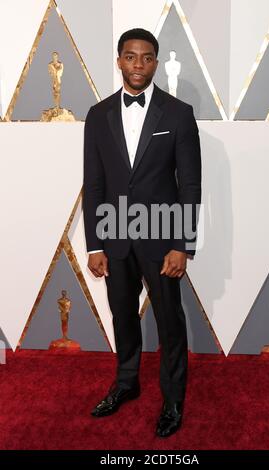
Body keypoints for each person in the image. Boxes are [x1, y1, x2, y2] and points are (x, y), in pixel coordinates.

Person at [83, 28, 201, 438]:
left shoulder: (178, 113)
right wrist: (95, 243)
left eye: (146, 57)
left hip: (162, 236)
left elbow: (189, 185)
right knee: (122, 318)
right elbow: (93, 183)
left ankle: (173, 399)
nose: (138, 65)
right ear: (119, 61)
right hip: (114, 237)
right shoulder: (98, 115)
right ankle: (126, 383)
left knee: (170, 321)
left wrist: (182, 245)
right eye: (130, 57)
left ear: (155, 62)